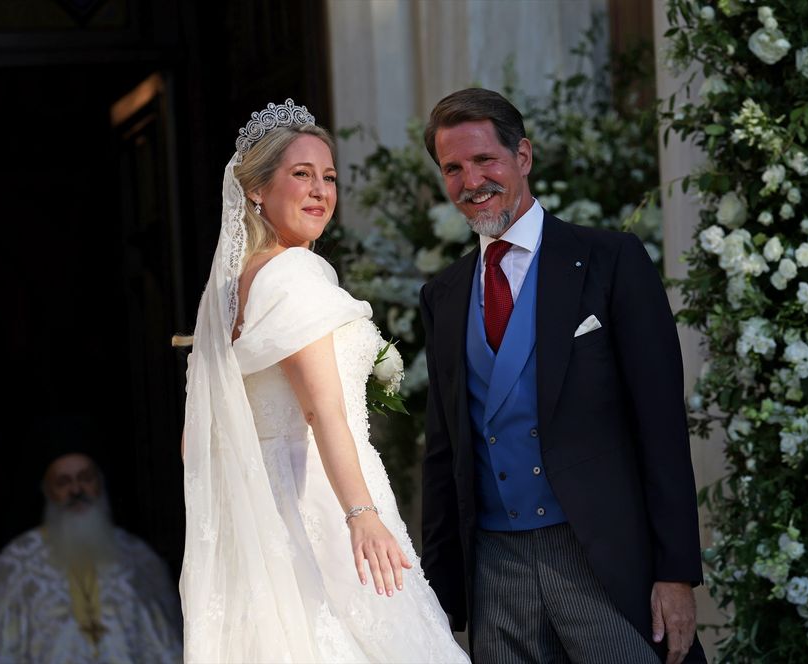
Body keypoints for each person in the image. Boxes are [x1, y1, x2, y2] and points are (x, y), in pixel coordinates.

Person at [418, 87, 707, 664]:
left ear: (523, 157)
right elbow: (444, 452)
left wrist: (676, 573)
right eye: (453, 168)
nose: (471, 180)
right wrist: (440, 596)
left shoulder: (611, 261)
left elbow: (661, 425)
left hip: (598, 554)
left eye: (484, 160)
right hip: (494, 570)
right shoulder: (442, 295)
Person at [180, 99, 467, 663]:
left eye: (329, 177)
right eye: (301, 175)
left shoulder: (229, 291)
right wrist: (362, 516)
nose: (320, 191)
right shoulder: (293, 273)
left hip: (265, 523)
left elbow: (195, 440)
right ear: (256, 189)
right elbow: (323, 411)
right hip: (325, 514)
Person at [0, 447, 183, 663]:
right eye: (63, 482)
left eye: (85, 478)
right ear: (47, 491)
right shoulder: (14, 564)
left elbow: (167, 646)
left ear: (100, 483)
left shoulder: (139, 558)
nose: (76, 489)